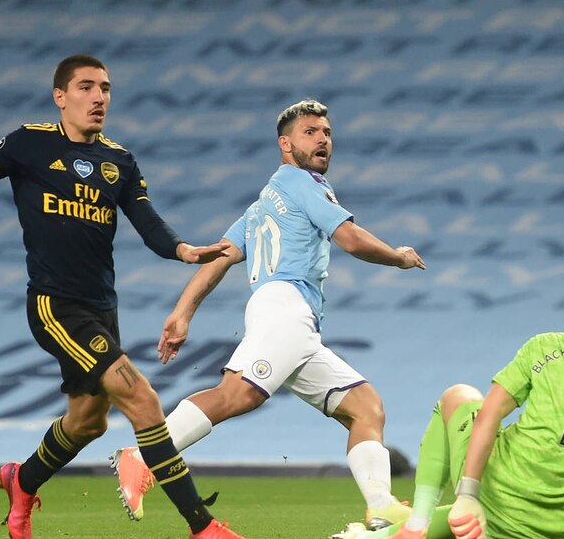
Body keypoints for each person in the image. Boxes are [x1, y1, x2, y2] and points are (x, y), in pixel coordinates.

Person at [0, 54, 242, 539]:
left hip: (102, 308)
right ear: (60, 96)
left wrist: (182, 250)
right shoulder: (27, 143)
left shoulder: (119, 161)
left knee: (88, 423)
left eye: (106, 89)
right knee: (142, 398)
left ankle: (21, 481)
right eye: (87, 87)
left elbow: (148, 223)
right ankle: (203, 527)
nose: (99, 98)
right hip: (54, 305)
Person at [109, 98, 426, 531]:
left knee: (364, 406)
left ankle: (381, 506)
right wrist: (399, 257)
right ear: (285, 143)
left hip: (293, 322)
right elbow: (350, 239)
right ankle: (143, 456)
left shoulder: (264, 203)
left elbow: (219, 258)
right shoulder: (304, 184)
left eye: (327, 133)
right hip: (285, 310)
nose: (322, 140)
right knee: (237, 395)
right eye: (310, 132)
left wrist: (182, 313)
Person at [333, 270, 564, 539]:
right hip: (560, 528)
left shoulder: (547, 345)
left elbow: (489, 413)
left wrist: (468, 494)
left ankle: (413, 524)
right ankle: (392, 532)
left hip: (493, 496)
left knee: (458, 395)